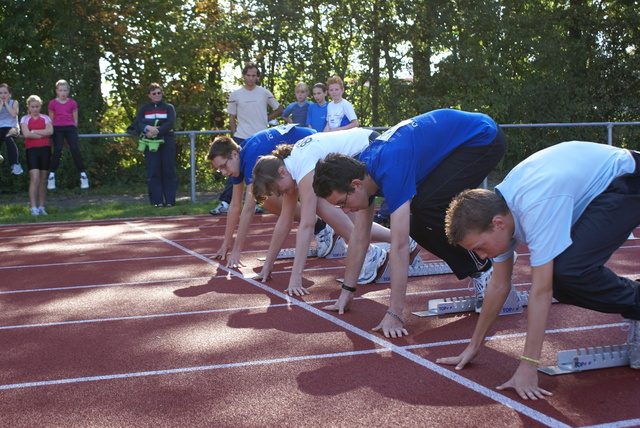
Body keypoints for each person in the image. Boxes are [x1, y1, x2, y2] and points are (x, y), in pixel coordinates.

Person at [439, 141, 640, 400]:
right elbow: (499, 286)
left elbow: (541, 292)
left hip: (627, 179)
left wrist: (528, 365)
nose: (481, 256)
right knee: (564, 277)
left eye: (480, 247)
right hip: (594, 186)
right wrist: (474, 346)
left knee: (568, 272)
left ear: (498, 224)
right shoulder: (499, 210)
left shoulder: (535, 207)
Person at [312, 109, 506, 337]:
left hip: (482, 137)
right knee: (417, 220)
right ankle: (481, 261)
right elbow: (359, 236)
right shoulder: (364, 170)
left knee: (426, 207)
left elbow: (400, 245)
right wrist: (347, 291)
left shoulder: (390, 170)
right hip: (455, 140)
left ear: (356, 184)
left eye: (343, 202)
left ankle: (485, 270)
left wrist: (395, 313)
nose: (345, 211)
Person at [252, 128, 406, 296]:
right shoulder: (292, 167)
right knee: (348, 214)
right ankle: (399, 240)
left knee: (330, 207)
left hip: (368, 149)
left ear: (281, 172)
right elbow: (285, 221)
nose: (278, 194)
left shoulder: (302, 166)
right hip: (359, 151)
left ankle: (374, 252)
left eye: (275, 188)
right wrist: (267, 266)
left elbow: (307, 225)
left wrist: (295, 278)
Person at [208, 124, 316, 268]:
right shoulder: (238, 160)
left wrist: (236, 251)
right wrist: (225, 245)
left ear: (234, 154)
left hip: (313, 144)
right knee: (265, 199)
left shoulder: (251, 157)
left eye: (223, 166)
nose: (223, 172)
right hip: (303, 146)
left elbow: (248, 208)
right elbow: (234, 205)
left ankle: (322, 225)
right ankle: (322, 225)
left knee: (265, 198)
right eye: (219, 169)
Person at [212, 62, 283, 215]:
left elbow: (279, 109)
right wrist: (233, 135)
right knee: (232, 170)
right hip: (241, 138)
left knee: (262, 171)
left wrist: (266, 119)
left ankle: (258, 201)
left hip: (262, 139)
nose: (251, 78)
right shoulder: (236, 94)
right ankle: (225, 202)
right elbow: (232, 117)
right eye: (248, 75)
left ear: (257, 76)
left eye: (254, 75)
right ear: (243, 76)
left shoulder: (264, 92)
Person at [131, 83, 177, 207]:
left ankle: (170, 201)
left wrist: (157, 131)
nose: (157, 95)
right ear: (149, 95)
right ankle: (157, 201)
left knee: (168, 170)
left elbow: (170, 123)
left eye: (159, 93)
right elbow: (138, 122)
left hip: (166, 141)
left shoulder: (168, 107)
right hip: (150, 142)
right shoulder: (144, 108)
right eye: (154, 93)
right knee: (153, 171)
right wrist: (147, 129)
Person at [47, 80, 89, 190]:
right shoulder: (52, 103)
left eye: (65, 90)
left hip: (69, 127)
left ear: (68, 91)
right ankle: (51, 175)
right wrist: (51, 132)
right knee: (57, 149)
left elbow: (75, 120)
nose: (63, 93)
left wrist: (73, 130)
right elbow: (50, 119)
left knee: (74, 148)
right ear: (56, 91)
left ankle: (83, 174)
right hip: (57, 127)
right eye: (60, 90)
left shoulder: (72, 103)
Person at [19, 95, 53, 216]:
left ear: (40, 106)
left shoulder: (45, 118)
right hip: (32, 150)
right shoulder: (25, 119)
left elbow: (50, 131)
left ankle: (41, 206)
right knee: (35, 178)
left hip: (45, 149)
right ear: (28, 107)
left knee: (43, 179)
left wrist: (35, 131)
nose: (35, 109)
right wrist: (39, 134)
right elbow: (26, 134)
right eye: (32, 107)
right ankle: (33, 207)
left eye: (37, 106)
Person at [0, 84, 24, 175]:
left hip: (12, 127)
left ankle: (15, 164)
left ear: (10, 94)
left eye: (5, 93)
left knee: (8, 138)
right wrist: (1, 104)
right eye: (0, 93)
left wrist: (6, 103)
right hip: (1, 127)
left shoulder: (14, 102)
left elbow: (14, 114)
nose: (3, 95)